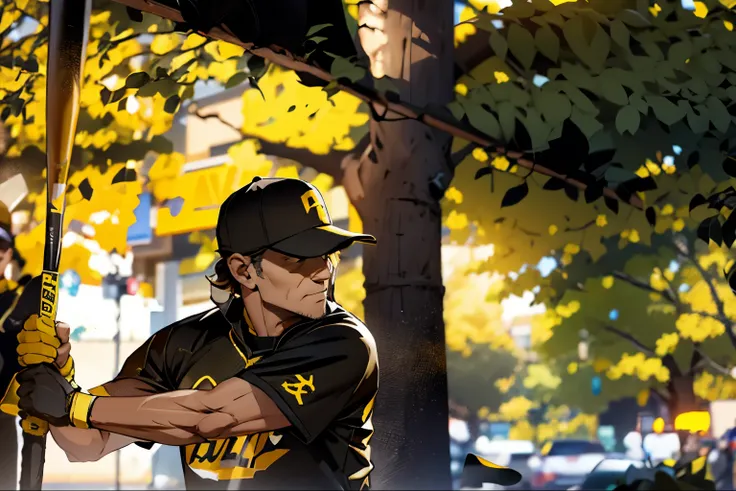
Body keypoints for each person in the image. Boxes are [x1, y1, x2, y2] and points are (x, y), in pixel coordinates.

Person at [13, 177, 379, 491]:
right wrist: (57, 378)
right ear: (243, 270)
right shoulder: (180, 344)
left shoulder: (343, 344)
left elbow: (215, 415)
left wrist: (75, 405)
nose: (323, 272)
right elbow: (88, 443)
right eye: (298, 259)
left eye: (328, 253)